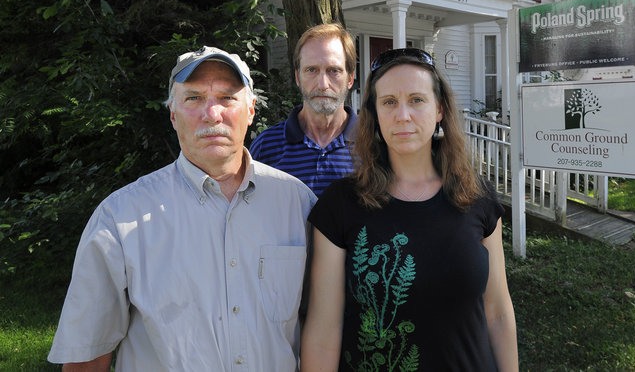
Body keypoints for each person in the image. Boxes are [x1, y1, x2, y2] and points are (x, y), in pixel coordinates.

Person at [48, 46, 316, 372]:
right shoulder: (119, 220)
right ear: (173, 115)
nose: (211, 113)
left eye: (227, 98)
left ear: (250, 111)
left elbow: (323, 329)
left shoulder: (299, 205)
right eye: (193, 98)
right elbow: (86, 359)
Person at [300, 48, 519, 371]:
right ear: (374, 113)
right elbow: (323, 330)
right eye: (389, 102)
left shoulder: (477, 197)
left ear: (440, 109)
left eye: (417, 100)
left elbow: (498, 312)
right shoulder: (340, 205)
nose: (403, 115)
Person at [250, 23, 357, 197]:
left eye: (334, 71)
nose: (323, 84)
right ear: (297, 77)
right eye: (311, 70)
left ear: (350, 78)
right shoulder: (265, 148)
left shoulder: (374, 146)